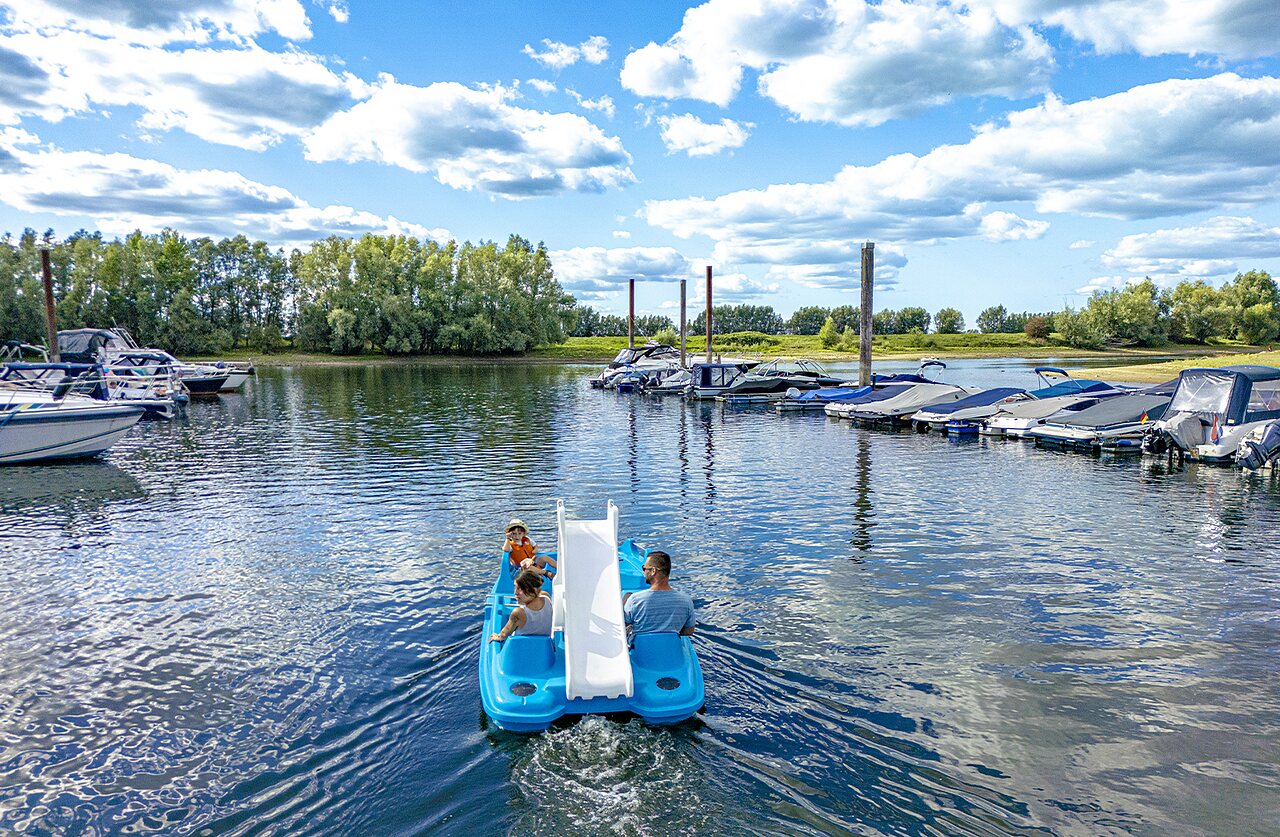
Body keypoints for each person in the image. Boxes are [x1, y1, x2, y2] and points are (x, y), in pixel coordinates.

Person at [623, 550, 695, 636]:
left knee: (626, 597)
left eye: (644, 568)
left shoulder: (635, 599)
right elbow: (689, 631)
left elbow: (623, 624)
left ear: (653, 571)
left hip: (641, 646)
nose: (643, 572)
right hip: (671, 646)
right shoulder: (686, 600)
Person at [490, 570, 553, 642]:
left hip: (521, 647)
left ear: (534, 590)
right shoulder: (546, 597)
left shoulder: (518, 613)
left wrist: (497, 637)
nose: (515, 592)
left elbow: (504, 635)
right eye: (515, 587)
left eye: (520, 589)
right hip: (545, 646)